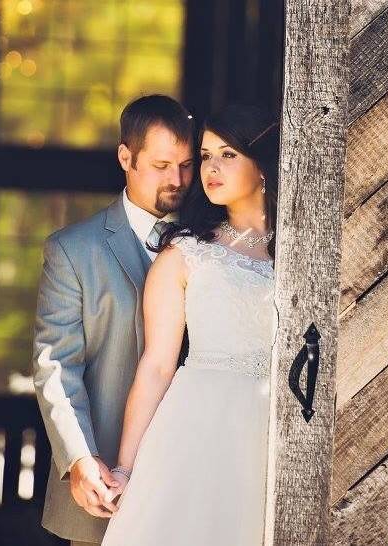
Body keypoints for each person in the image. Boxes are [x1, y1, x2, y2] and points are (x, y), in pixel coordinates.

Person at [101, 103, 280, 545]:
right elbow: (157, 364)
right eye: (204, 156)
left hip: (278, 430)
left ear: (263, 166)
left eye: (228, 154)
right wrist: (125, 467)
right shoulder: (185, 252)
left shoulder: (305, 254)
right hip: (199, 426)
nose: (210, 168)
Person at [31, 94, 195, 546]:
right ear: (126, 156)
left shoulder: (218, 242)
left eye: (185, 165)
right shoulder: (73, 250)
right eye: (161, 165)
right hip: (106, 485)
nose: (177, 179)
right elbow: (56, 365)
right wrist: (80, 460)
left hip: (196, 472)